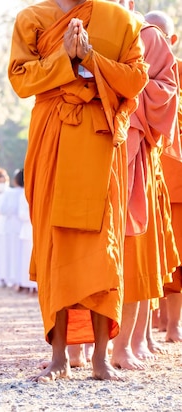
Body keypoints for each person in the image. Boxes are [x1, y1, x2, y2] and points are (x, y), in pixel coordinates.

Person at [8, 0, 148, 381]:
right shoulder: (32, 20)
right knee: (56, 244)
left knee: (103, 248)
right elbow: (21, 79)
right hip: (53, 135)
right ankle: (59, 358)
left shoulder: (119, 20)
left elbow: (136, 80)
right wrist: (66, 60)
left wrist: (91, 56)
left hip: (98, 139)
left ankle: (101, 358)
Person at [109, 0, 180, 371]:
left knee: (137, 253)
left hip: (137, 158)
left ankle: (130, 343)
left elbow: (163, 90)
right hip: (93, 146)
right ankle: (74, 350)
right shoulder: (70, 26)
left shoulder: (146, 37)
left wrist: (128, 87)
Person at [148, 10, 182, 343]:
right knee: (155, 258)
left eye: (158, 35)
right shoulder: (132, 70)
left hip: (178, 181)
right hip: (154, 181)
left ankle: (174, 324)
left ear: (171, 40)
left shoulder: (179, 74)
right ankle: (156, 322)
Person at [2, 169, 25, 289]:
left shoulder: (10, 193)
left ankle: (14, 279)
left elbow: (3, 209)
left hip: (13, 228)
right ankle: (20, 280)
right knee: (21, 256)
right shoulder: (27, 192)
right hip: (21, 229)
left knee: (12, 255)